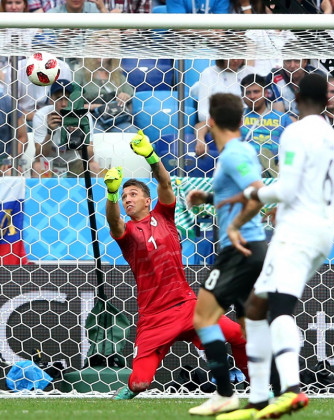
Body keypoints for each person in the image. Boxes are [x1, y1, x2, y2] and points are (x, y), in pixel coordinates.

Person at [216, 74, 334, 419]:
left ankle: (290, 389)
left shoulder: (294, 131)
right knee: (258, 305)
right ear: (325, 100)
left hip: (297, 230)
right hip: (324, 230)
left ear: (296, 98)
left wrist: (253, 194)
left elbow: (288, 190)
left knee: (279, 305)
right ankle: (259, 398)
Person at [103, 130, 248, 400]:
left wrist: (150, 156)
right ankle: (132, 386)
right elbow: (114, 222)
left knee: (240, 336)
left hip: (188, 306)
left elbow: (165, 184)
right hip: (154, 318)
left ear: (148, 201)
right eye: (124, 197)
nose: (127, 200)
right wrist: (111, 195)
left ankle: (262, 386)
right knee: (140, 384)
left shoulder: (164, 216)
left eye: (132, 194)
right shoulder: (128, 233)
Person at [183, 93, 267, 416]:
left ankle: (224, 393)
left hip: (240, 249)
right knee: (250, 326)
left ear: (211, 122)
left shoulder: (234, 154)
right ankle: (268, 391)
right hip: (251, 248)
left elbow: (257, 193)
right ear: (241, 121)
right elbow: (240, 193)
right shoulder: (237, 153)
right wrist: (206, 197)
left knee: (203, 317)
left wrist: (235, 228)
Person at [32, 79, 99, 177]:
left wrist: (78, 136)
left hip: (74, 162)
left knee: (93, 166)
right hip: (50, 163)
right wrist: (50, 132)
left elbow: (89, 156)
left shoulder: (84, 116)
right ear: (51, 100)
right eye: (59, 98)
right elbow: (39, 157)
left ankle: (90, 193)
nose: (63, 104)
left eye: (68, 98)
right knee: (38, 166)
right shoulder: (41, 115)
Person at [195, 59, 254, 156]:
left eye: (238, 56)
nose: (235, 60)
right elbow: (202, 115)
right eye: (231, 57)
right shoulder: (209, 73)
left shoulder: (250, 72)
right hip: (221, 123)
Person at [240, 73, 293, 178]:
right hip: (245, 165)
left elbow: (293, 146)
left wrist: (286, 165)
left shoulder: (283, 118)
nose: (252, 96)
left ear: (265, 93)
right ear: (242, 95)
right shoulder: (237, 116)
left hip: (276, 163)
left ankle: (270, 171)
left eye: (256, 92)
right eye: (248, 93)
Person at [74, 57, 136, 133]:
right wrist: (96, 107)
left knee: (132, 135)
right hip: (90, 117)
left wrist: (125, 96)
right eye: (98, 46)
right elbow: (72, 103)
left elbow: (130, 95)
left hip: (115, 118)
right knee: (96, 137)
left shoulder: (118, 75)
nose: (101, 51)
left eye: (106, 47)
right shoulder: (80, 74)